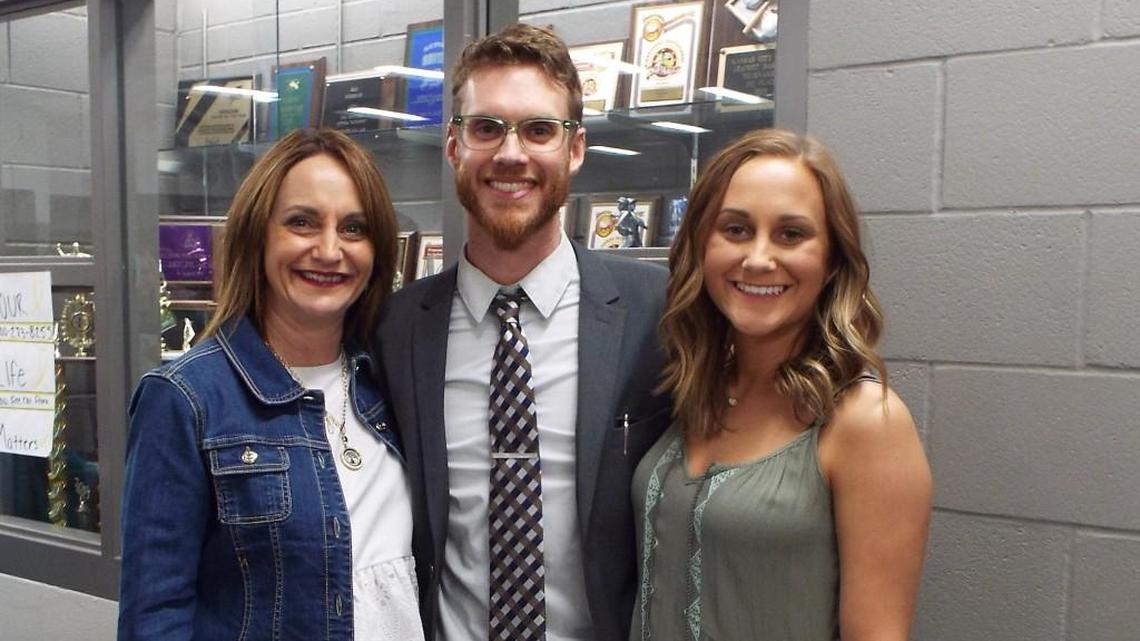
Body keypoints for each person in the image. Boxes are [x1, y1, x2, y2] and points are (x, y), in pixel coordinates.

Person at [375, 24, 670, 641]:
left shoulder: (658, 312)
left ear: (576, 148)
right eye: (487, 128)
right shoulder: (396, 328)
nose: (511, 154)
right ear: (453, 146)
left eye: (539, 130)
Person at [118, 128, 424, 641]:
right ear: (258, 237)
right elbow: (155, 616)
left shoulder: (388, 383)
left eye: (354, 228)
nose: (329, 250)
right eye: (302, 222)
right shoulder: (186, 399)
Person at [633, 128, 932, 641]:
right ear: (703, 244)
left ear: (833, 259)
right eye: (736, 229)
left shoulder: (865, 420)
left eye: (791, 234)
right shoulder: (693, 387)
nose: (758, 259)